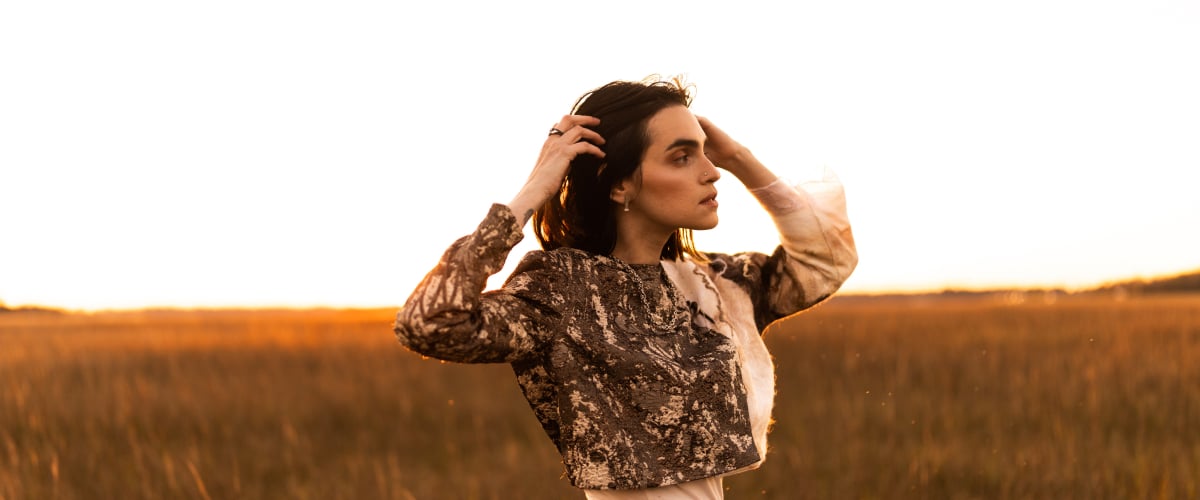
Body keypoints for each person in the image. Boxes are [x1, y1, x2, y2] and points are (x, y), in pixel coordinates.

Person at [394, 76, 857, 499]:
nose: (712, 171)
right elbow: (429, 322)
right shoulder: (565, 288)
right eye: (681, 157)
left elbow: (828, 261)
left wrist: (740, 157)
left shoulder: (714, 285)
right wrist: (534, 190)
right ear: (619, 186)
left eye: (706, 153)